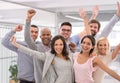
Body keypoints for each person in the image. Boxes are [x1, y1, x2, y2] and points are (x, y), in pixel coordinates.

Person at [24, 9, 52, 83]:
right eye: (43, 35)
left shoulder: (56, 47)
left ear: (51, 36)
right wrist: (28, 19)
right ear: (40, 36)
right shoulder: (36, 47)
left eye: (48, 35)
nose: (46, 36)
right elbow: (27, 38)